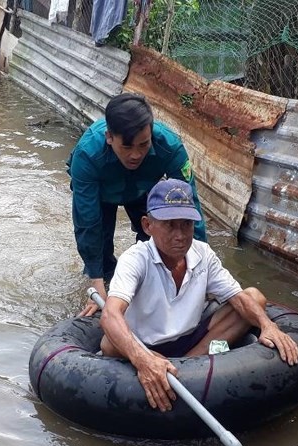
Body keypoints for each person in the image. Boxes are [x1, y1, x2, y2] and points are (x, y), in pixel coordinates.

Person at [100, 179, 298, 412]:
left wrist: (268, 325)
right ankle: (168, 365)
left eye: (186, 224)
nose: (180, 235)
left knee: (254, 297)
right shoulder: (135, 259)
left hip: (191, 340)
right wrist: (143, 360)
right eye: (170, 225)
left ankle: (191, 364)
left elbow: (237, 296)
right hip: (145, 345)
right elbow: (110, 315)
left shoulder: (202, 253)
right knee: (108, 343)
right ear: (147, 225)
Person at [67, 93, 207, 316]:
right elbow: (86, 221)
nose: (136, 154)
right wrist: (96, 282)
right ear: (109, 137)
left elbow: (189, 207)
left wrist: (201, 265)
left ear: (151, 134)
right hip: (102, 194)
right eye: (127, 147)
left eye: (143, 145)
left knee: (160, 240)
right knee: (101, 252)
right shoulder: (87, 155)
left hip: (144, 190)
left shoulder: (170, 148)